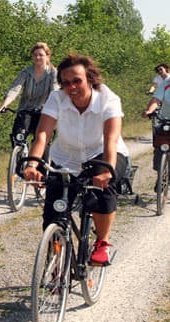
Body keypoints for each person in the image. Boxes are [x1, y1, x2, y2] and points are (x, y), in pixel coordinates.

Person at [23, 53, 129, 266]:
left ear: (90, 78)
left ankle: (102, 242)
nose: (71, 87)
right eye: (65, 82)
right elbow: (43, 134)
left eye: (77, 81)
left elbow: (111, 138)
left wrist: (107, 170)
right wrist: (33, 163)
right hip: (66, 157)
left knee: (102, 190)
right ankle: (55, 256)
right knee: (54, 208)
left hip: (101, 153)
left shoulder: (108, 99)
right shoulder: (57, 98)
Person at [0, 42, 59, 144]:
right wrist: (4, 105)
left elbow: (55, 91)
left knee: (41, 141)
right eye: (35, 55)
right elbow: (15, 89)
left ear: (47, 57)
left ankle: (40, 158)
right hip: (25, 110)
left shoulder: (53, 73)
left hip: (44, 112)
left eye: (41, 55)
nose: (38, 57)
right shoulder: (26, 72)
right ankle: (18, 156)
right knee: (18, 137)